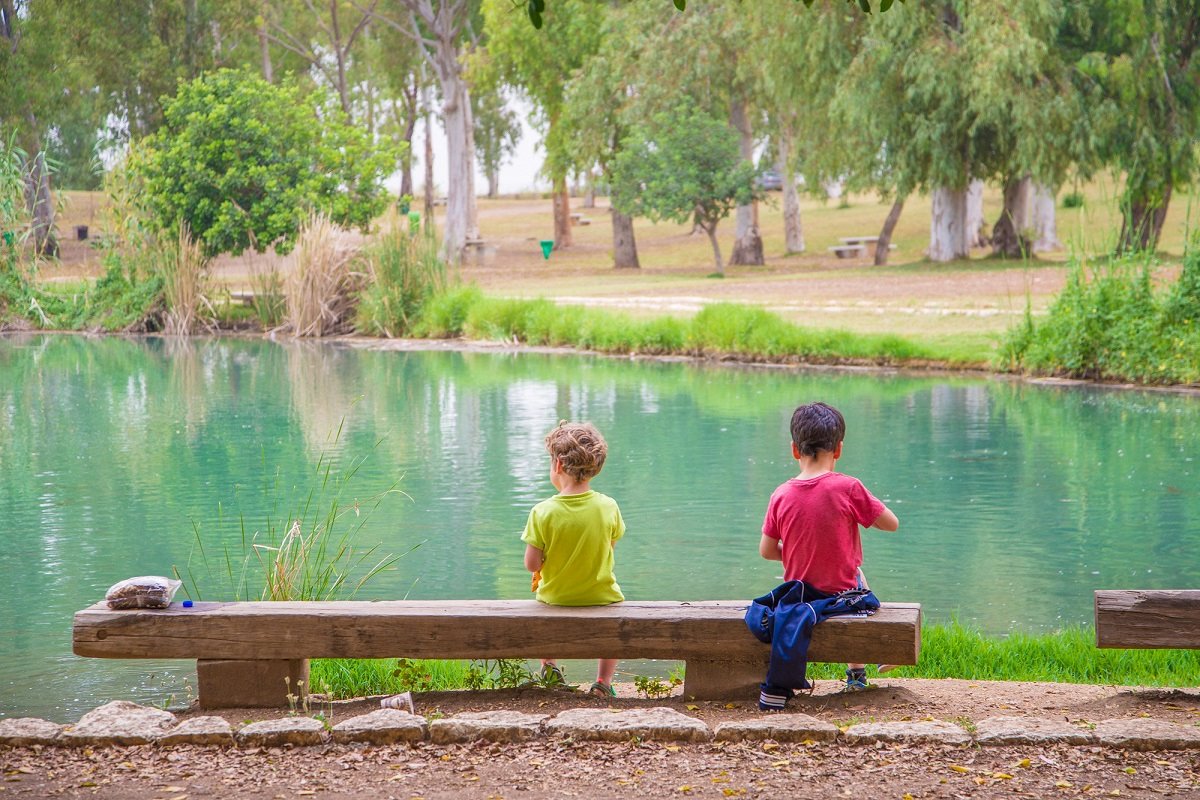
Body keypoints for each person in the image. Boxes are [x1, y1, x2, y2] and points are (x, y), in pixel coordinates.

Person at [758, 401, 899, 695]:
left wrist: (799, 552)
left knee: (852, 574)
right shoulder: (848, 487)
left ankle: (857, 672)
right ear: (839, 450)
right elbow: (891, 524)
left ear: (794, 449)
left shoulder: (780, 495)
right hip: (842, 595)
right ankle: (857, 673)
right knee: (856, 574)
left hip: (799, 596)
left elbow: (767, 550)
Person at [522, 421, 625, 698]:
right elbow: (610, 547)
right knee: (615, 617)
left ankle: (550, 668)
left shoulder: (542, 512)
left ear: (557, 465)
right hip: (602, 596)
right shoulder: (608, 506)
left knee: (540, 609)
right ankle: (603, 682)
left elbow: (532, 564)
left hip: (556, 597)